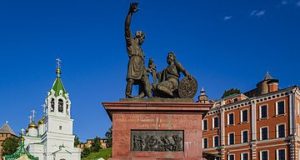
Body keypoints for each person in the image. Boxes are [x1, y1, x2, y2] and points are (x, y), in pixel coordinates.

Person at [124, 3, 152, 98]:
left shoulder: (141, 50)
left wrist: (148, 69)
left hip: (141, 67)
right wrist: (130, 13)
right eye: (143, 39)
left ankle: (150, 97)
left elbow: (143, 62)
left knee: (145, 81)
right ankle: (128, 96)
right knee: (131, 80)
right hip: (133, 63)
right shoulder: (131, 42)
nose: (143, 41)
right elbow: (126, 27)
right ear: (139, 36)